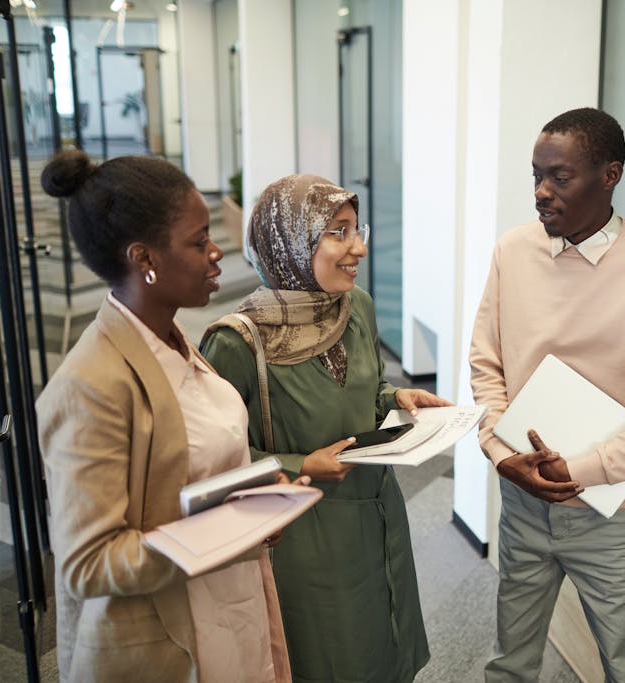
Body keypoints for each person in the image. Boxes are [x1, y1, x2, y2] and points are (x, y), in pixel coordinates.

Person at [36, 150, 293, 682]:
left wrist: (253, 500)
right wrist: (229, 530)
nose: (217, 253)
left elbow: (190, 470)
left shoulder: (172, 337)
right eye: (199, 242)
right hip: (168, 633)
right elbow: (88, 564)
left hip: (227, 601)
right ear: (143, 257)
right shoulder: (90, 386)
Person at [469, 107, 625, 682]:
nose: (541, 193)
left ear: (610, 175)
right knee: (510, 663)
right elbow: (485, 365)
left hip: (612, 515)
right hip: (523, 502)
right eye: (535, 176)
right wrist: (504, 457)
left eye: (559, 177)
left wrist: (581, 468)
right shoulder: (512, 252)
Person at [200, 174, 449, 682]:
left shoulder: (357, 308)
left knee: (387, 646)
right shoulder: (238, 343)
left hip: (379, 513)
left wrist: (394, 398)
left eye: (357, 230)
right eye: (338, 232)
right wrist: (298, 464)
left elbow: (362, 396)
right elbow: (212, 464)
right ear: (291, 241)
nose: (357, 248)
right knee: (328, 660)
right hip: (306, 535)